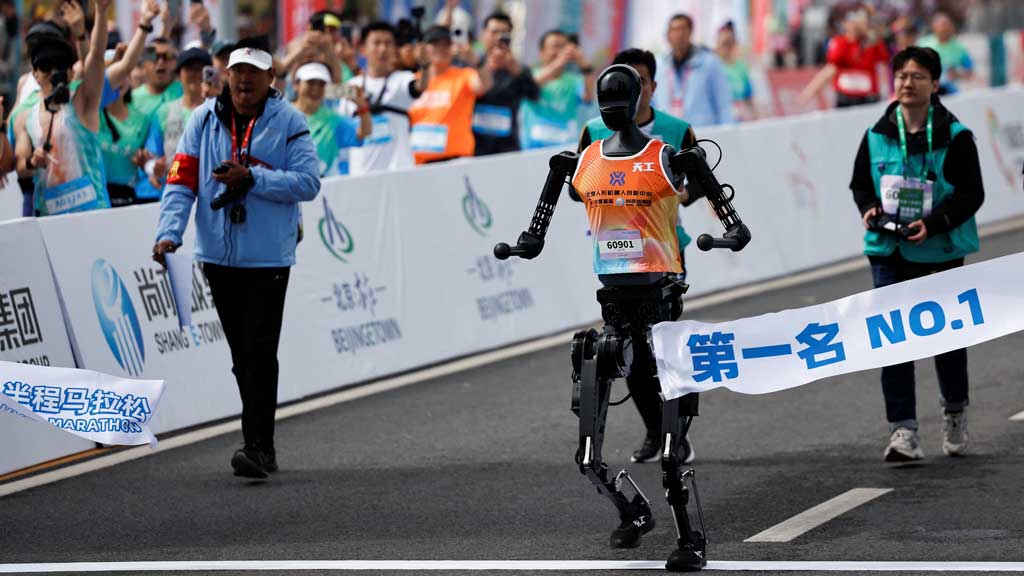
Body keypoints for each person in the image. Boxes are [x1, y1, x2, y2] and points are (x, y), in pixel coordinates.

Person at [152, 38, 321, 479]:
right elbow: (180, 179)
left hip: (268, 258)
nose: (244, 80)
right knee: (242, 354)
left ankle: (259, 447)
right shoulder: (201, 119)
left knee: (260, 352)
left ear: (271, 79)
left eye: (254, 72)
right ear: (226, 75)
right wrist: (169, 233)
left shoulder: (290, 121)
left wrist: (253, 179)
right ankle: (258, 443)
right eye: (237, 71)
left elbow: (307, 183)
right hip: (217, 256)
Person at [848, 47, 984, 462]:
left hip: (939, 249)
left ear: (935, 84)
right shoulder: (876, 134)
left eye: (918, 76)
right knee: (893, 342)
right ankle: (902, 430)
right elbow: (859, 184)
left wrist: (936, 223)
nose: (908, 83)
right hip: (888, 250)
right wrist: (869, 208)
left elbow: (972, 194)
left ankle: (955, 411)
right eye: (902, 76)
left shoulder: (956, 136)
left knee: (947, 340)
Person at [577, 48, 697, 466]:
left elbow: (695, 187)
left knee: (659, 347)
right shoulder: (593, 131)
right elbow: (581, 184)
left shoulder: (675, 132)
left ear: (652, 87)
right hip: (613, 253)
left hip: (663, 248)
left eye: (642, 81)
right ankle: (655, 428)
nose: (636, 90)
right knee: (627, 354)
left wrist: (656, 188)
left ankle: (675, 427)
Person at [14, 0, 111, 217]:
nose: (52, 71)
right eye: (45, 65)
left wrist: (99, 15)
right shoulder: (25, 116)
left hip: (93, 212)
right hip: (51, 221)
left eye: (60, 64)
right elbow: (21, 165)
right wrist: (32, 161)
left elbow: (95, 59)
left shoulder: (83, 101)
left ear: (70, 71)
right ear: (35, 73)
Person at [338, 21, 418, 175]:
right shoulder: (351, 86)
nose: (383, 49)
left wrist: (425, 65)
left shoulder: (404, 78)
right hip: (360, 175)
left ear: (395, 50)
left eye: (388, 44)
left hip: (400, 173)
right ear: (363, 50)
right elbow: (318, 93)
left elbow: (418, 87)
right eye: (376, 43)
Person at [408, 26, 492, 164]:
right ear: (423, 48)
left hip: (455, 161)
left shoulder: (464, 76)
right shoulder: (413, 83)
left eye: (446, 44)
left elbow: (486, 84)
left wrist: (477, 61)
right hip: (418, 163)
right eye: (435, 44)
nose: (441, 49)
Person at [143, 47, 212, 192]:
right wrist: (154, 168)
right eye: (189, 69)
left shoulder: (219, 109)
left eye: (200, 69)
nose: (195, 74)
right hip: (176, 191)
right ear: (179, 75)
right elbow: (152, 155)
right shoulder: (164, 112)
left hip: (211, 190)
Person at [469, 12, 539, 156]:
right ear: (483, 35)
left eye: (504, 33)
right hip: (474, 146)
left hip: (507, 148)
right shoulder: (471, 65)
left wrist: (514, 68)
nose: (498, 38)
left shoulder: (518, 68)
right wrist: (485, 68)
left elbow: (534, 94)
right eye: (494, 32)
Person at [651, 13, 734, 127]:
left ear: (690, 32)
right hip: (668, 135)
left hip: (703, 135)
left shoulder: (710, 63)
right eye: (674, 30)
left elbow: (723, 105)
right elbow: (652, 104)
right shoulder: (659, 66)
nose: (678, 35)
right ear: (668, 35)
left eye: (682, 29)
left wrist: (727, 132)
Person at [799, 6, 890, 108]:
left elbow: (884, 64)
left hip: (868, 99)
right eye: (852, 21)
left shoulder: (873, 43)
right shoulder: (840, 43)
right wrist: (810, 91)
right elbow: (830, 69)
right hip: (845, 100)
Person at [520, 30, 595, 149]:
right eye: (555, 46)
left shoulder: (575, 81)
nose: (560, 51)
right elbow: (529, 85)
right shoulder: (531, 74)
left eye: (563, 47)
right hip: (530, 149)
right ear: (542, 52)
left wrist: (584, 63)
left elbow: (588, 96)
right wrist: (558, 63)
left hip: (563, 150)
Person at [294, 62, 370, 177]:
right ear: (297, 85)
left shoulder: (333, 120)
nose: (315, 89)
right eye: (310, 82)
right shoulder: (281, 114)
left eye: (321, 84)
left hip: (324, 189)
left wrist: (362, 106)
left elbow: (363, 132)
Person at [917, 11, 973, 95]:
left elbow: (970, 72)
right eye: (942, 25)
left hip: (952, 92)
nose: (946, 28)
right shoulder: (923, 44)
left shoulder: (959, 48)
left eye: (948, 25)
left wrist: (958, 74)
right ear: (934, 27)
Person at [715, 22, 755, 122]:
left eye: (731, 43)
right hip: (720, 121)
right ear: (717, 45)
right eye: (724, 43)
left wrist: (754, 118)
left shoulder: (741, 68)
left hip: (740, 120)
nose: (728, 48)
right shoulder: (712, 69)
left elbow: (748, 97)